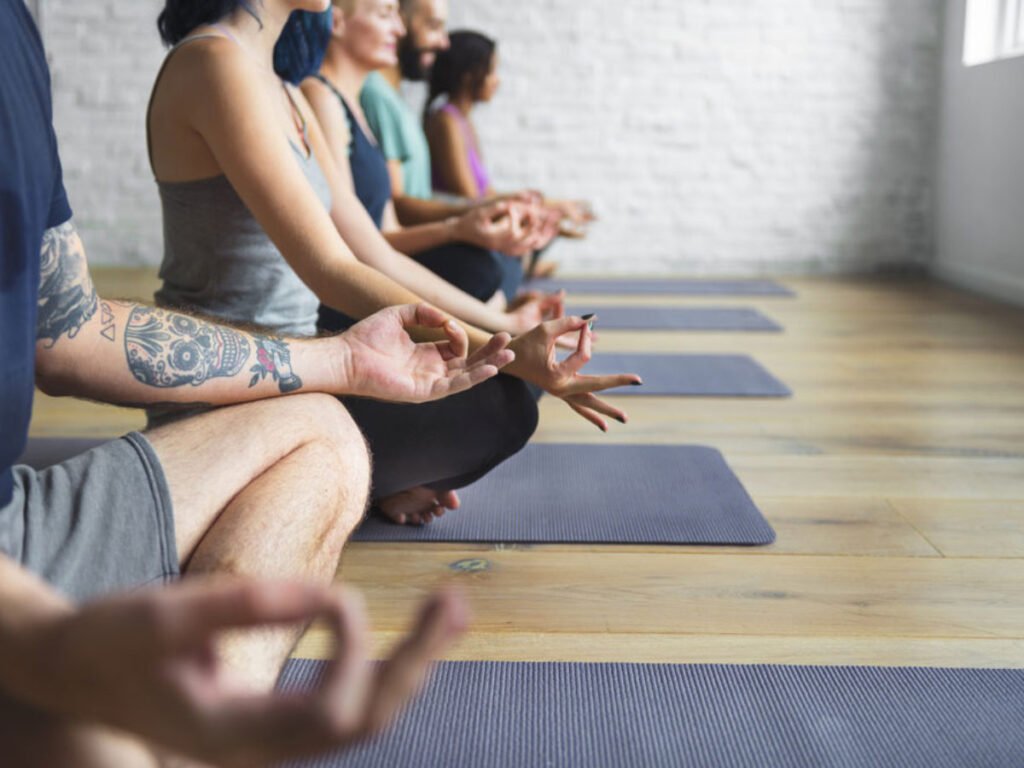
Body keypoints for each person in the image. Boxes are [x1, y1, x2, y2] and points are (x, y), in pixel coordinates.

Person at [0, 0, 508, 763]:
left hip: (19, 519)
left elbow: (67, 331)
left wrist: (342, 362)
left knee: (337, 432)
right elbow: (339, 263)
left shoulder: (21, 35)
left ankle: (204, 715)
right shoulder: (212, 65)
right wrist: (49, 648)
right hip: (41, 545)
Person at [147, 2, 640, 526]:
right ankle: (317, 482)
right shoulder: (212, 63)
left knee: (508, 381)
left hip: (308, 362)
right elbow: (331, 269)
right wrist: (506, 351)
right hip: (231, 393)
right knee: (503, 402)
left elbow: (375, 253)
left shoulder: (285, 89)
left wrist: (509, 334)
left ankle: (348, 478)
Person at [299, 0, 540, 306]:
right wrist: (459, 228)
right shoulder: (321, 97)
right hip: (349, 277)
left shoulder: (356, 104)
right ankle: (495, 320)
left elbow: (386, 235)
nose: (399, 29)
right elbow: (357, 249)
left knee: (488, 263)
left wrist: (463, 229)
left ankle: (497, 318)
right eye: (386, 15)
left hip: (376, 255)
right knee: (480, 268)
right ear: (337, 22)